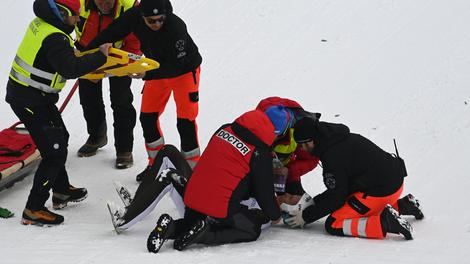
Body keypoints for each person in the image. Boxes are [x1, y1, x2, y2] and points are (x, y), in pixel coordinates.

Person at [5, 0, 110, 226]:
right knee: (54, 151)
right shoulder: (55, 37)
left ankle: (61, 191)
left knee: (60, 138)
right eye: (75, 16)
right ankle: (34, 209)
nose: (78, 20)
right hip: (30, 100)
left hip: (32, 96)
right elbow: (70, 68)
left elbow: (62, 58)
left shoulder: (43, 25)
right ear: (61, 14)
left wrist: (85, 59)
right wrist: (100, 57)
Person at [86, 0, 203, 181]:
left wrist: (146, 73)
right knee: (147, 118)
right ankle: (156, 166)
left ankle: (192, 172)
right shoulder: (134, 16)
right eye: (151, 21)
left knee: (185, 122)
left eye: (160, 19)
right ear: (142, 17)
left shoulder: (176, 27)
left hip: (184, 72)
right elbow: (112, 31)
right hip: (155, 71)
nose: (156, 24)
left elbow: (176, 65)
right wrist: (88, 52)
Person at [146, 110, 283, 253]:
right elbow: (264, 193)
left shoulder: (224, 129)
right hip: (219, 203)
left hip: (192, 193)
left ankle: (170, 227)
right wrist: (275, 215)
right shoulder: (259, 153)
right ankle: (205, 234)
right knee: (251, 229)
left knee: (192, 223)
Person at [281, 117, 424, 240]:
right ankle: (403, 205)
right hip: (393, 182)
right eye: (301, 145)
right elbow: (339, 188)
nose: (304, 149)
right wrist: (314, 203)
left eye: (305, 144)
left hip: (382, 191)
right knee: (350, 203)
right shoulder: (336, 138)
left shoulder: (332, 156)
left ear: (314, 139)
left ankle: (384, 223)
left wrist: (306, 216)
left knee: (334, 223)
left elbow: (337, 198)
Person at [74, 0, 140, 169]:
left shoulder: (130, 7)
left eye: (109, 0)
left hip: (120, 57)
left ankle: (124, 150)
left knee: (121, 102)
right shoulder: (78, 3)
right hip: (88, 54)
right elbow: (65, 27)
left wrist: (126, 64)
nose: (104, 4)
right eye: (100, 1)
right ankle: (97, 137)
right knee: (88, 100)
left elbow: (135, 42)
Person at [256, 97, 321, 197]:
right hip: (253, 170)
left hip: (282, 173)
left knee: (298, 203)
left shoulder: (300, 133)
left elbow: (311, 160)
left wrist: (289, 171)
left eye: (276, 135)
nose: (271, 139)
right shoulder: (254, 122)